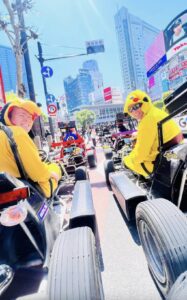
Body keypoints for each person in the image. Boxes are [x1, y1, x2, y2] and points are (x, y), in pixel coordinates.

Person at [0, 96, 62, 198]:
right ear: (9, 116)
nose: (27, 121)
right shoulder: (18, 133)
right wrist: (53, 173)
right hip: (24, 191)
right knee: (56, 167)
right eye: (22, 115)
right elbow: (38, 174)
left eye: (30, 118)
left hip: (5, 188)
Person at [123, 90, 183, 177]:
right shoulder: (155, 112)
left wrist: (127, 160)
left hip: (161, 161)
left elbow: (140, 155)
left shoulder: (146, 120)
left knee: (131, 162)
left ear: (144, 102)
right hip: (175, 151)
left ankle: (145, 180)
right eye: (130, 109)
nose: (134, 112)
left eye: (136, 106)